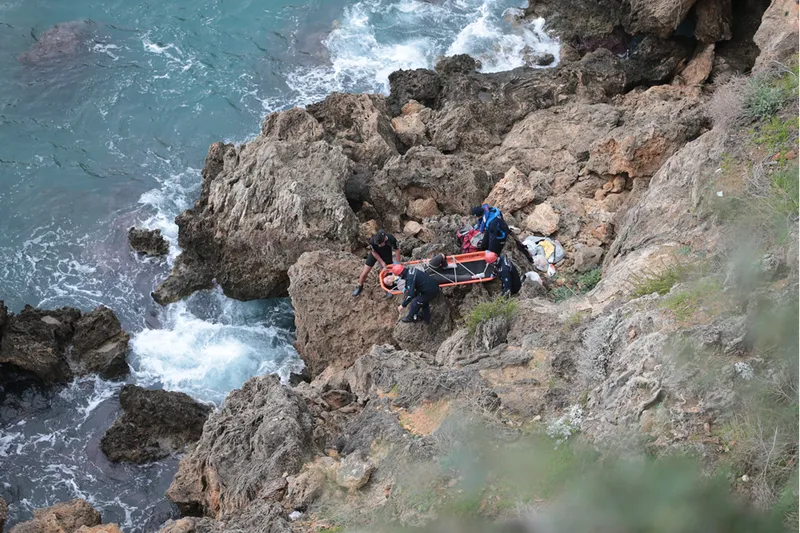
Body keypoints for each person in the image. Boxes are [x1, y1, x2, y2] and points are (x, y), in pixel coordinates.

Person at [353, 229, 401, 297]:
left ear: (384, 239)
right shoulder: (373, 240)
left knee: (387, 273)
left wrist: (397, 263)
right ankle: (360, 286)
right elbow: (373, 252)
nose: (379, 245)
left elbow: (397, 250)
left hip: (386, 255)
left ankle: (387, 289)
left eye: (380, 244)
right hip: (374, 254)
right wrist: (382, 262)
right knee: (365, 272)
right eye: (377, 244)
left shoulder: (391, 238)